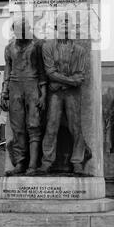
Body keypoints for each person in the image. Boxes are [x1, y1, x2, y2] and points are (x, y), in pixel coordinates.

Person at [37, 17, 91, 175]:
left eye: (69, 25)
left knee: (76, 127)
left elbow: (80, 77)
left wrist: (62, 82)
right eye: (62, 24)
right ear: (56, 27)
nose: (66, 28)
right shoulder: (47, 47)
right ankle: (46, 162)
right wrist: (69, 81)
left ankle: (77, 162)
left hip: (72, 94)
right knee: (51, 126)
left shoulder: (80, 50)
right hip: (55, 94)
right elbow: (49, 72)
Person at [1, 18, 47, 176]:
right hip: (15, 86)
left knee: (34, 125)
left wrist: (43, 94)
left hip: (32, 85)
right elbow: (7, 70)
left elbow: (42, 71)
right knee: (17, 127)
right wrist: (4, 91)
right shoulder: (9, 48)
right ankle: (20, 162)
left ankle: (33, 164)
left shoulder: (36, 46)